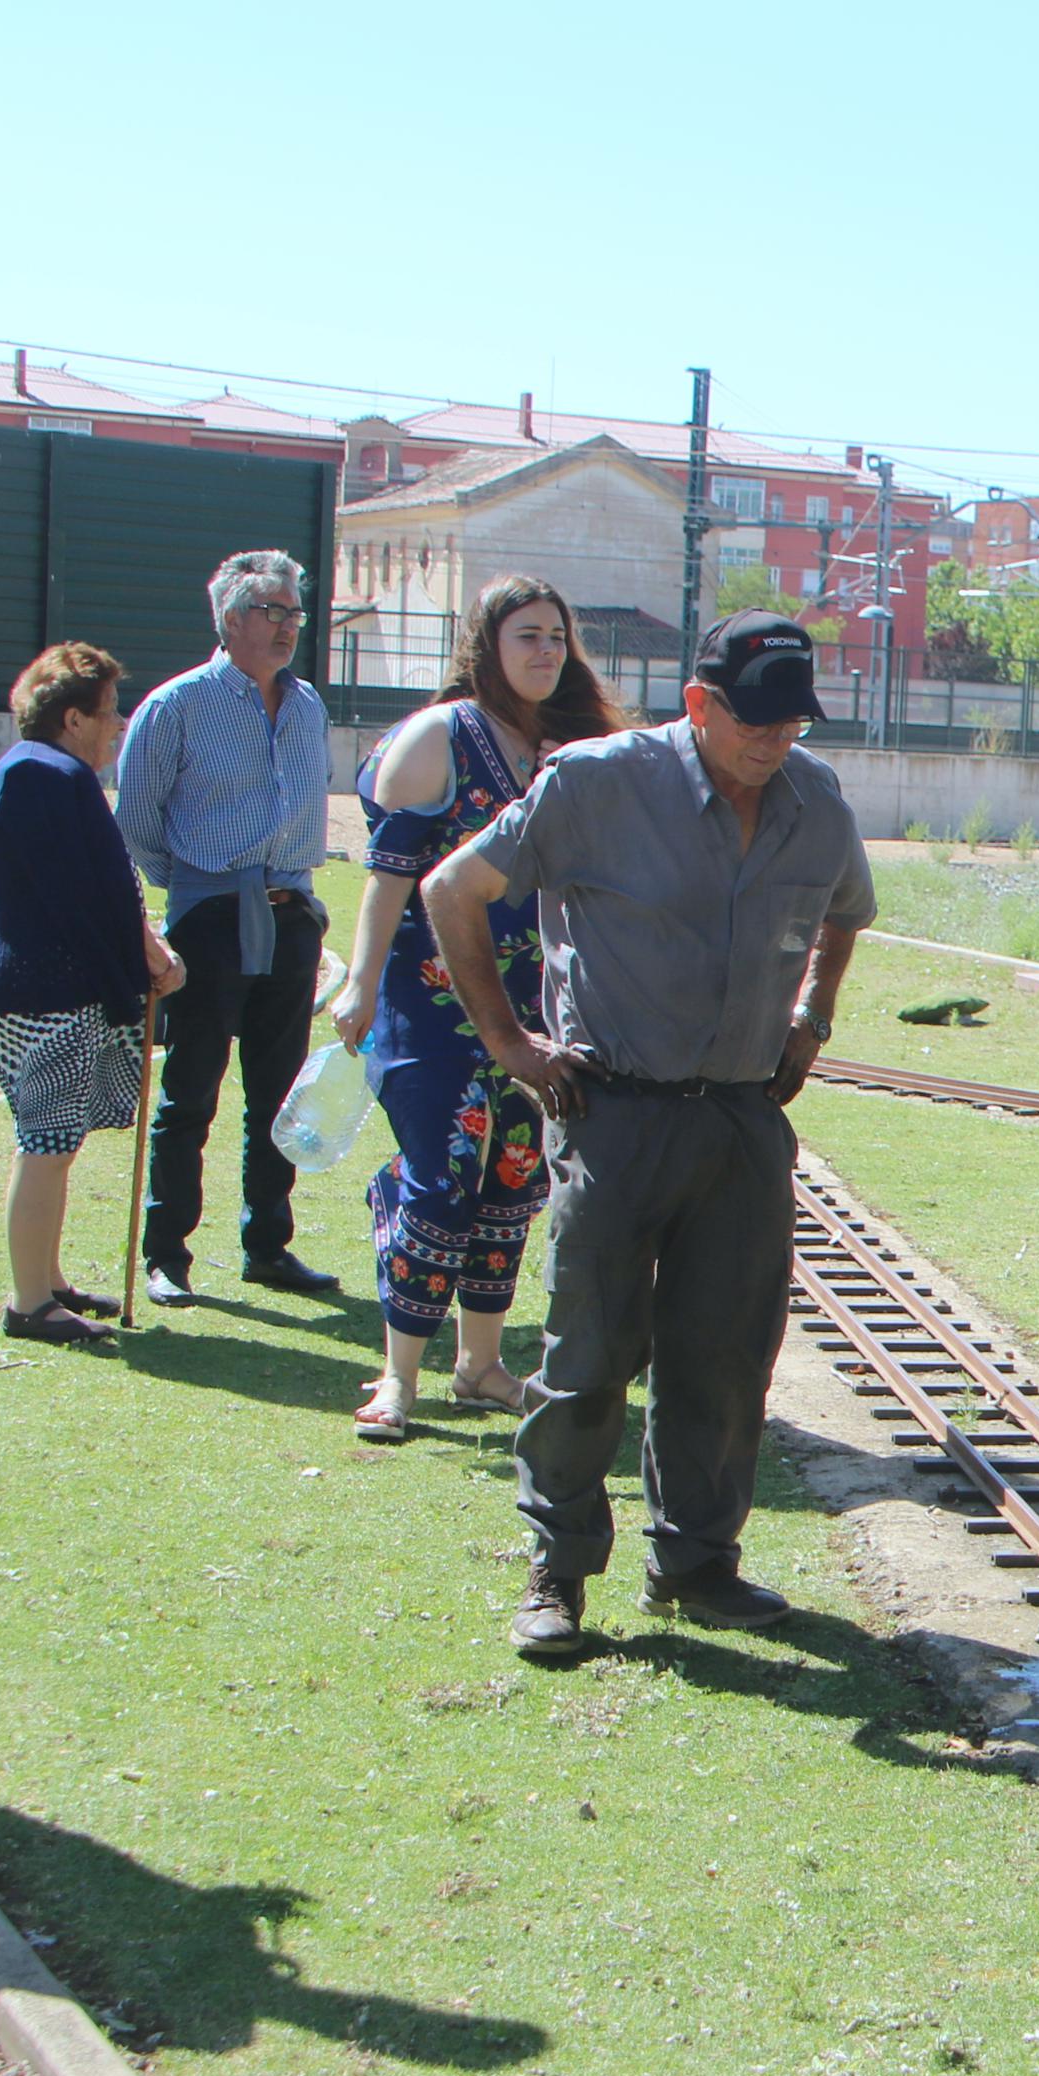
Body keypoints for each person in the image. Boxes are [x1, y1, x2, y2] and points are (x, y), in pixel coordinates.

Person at [417, 610, 873, 1652]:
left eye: (791, 722)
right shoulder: (598, 783)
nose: (773, 741)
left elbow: (847, 909)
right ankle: (557, 1569)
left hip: (741, 1120)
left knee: (723, 1360)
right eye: (752, 720)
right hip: (612, 1112)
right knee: (587, 1355)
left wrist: (813, 1014)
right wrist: (514, 1045)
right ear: (699, 704)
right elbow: (454, 889)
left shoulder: (816, 801)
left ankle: (697, 1561)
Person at [328, 576, 610, 1439]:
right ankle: (397, 1375)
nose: (544, 652)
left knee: (514, 1180)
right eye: (526, 635)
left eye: (556, 637)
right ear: (486, 644)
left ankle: (479, 1365)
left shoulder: (574, 746)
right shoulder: (440, 736)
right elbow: (389, 879)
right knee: (442, 1176)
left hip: (539, 1009)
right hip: (431, 1002)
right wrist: (362, 981)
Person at [113, 549, 337, 1307]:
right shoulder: (175, 706)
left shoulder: (307, 707)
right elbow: (137, 822)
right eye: (273, 611)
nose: (288, 627)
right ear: (232, 618)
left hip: (291, 916)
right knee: (190, 1093)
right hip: (209, 920)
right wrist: (191, 893)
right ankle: (166, 1254)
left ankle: (267, 1245)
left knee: (280, 1096)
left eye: (294, 613)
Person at [0, 642, 184, 1347]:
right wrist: (153, 958)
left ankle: (46, 1280)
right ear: (70, 719)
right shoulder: (52, 777)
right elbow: (104, 891)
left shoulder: (30, 773)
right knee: (47, 1144)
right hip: (41, 997)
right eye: (107, 713)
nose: (117, 726)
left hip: (30, 991)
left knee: (53, 1142)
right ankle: (30, 1302)